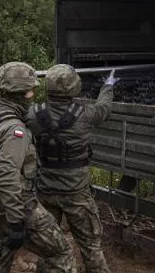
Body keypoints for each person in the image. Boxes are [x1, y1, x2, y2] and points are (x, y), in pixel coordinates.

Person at [0, 62, 76, 273]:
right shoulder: (14, 130)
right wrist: (16, 222)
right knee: (61, 253)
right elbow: (6, 177)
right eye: (31, 90)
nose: (33, 94)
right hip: (17, 205)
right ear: (24, 94)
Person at [27, 65, 116, 273]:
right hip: (76, 194)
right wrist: (108, 86)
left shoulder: (33, 115)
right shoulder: (85, 114)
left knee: (49, 249)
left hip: (46, 191)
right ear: (74, 88)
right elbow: (104, 109)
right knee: (91, 248)